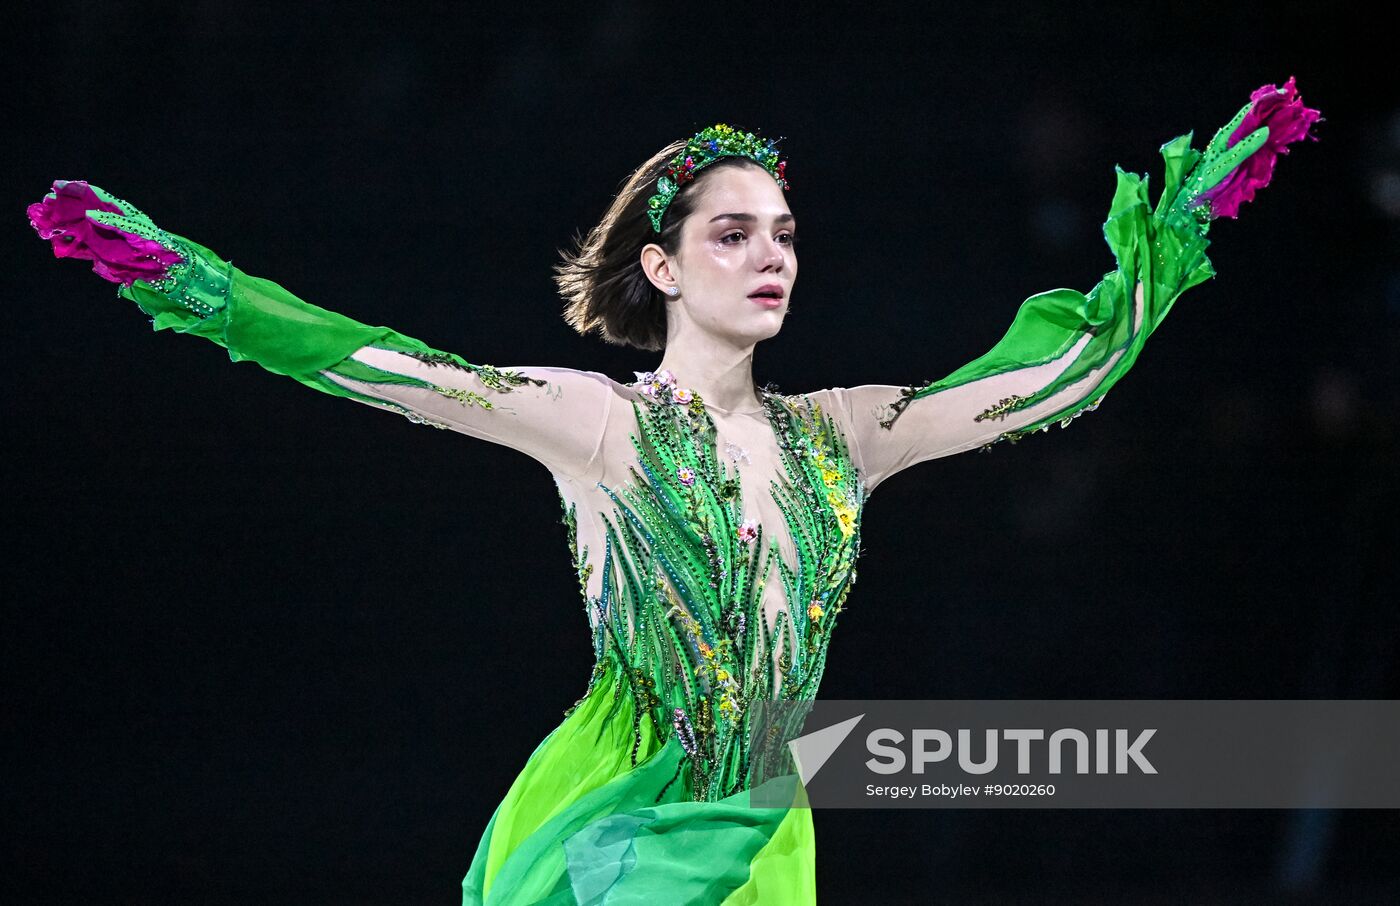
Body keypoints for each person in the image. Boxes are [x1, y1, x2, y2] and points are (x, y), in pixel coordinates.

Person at [27, 80, 1320, 904]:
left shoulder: (847, 433)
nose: (771, 255)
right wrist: (192, 284)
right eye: (733, 231)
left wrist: (1176, 233)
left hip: (766, 807)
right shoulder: (598, 423)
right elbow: (383, 367)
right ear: (661, 261)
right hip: (625, 802)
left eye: (786, 233)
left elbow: (1050, 381)